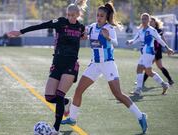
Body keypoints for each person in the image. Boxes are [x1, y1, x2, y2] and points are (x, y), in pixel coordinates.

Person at [61, 2, 148, 134]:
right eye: (97, 15)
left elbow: (115, 43)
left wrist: (108, 38)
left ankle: (141, 116)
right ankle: (72, 118)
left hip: (108, 64)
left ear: (106, 17)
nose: (99, 17)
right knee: (78, 90)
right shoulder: (92, 27)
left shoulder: (109, 28)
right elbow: (85, 35)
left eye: (101, 16)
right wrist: (83, 36)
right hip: (95, 65)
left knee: (118, 94)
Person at [6, 0, 87, 134]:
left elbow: (84, 36)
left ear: (78, 14)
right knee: (49, 97)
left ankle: (55, 129)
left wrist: (85, 36)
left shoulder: (81, 27)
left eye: (73, 15)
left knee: (59, 95)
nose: (71, 17)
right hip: (57, 63)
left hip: (71, 64)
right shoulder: (60, 22)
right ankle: (67, 102)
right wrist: (20, 32)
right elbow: (42, 25)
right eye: (69, 15)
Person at [127, 13, 174, 96]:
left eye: (145, 19)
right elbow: (135, 39)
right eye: (142, 19)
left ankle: (138, 89)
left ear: (149, 20)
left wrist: (168, 48)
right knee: (149, 72)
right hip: (143, 54)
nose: (144, 20)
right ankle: (164, 85)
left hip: (149, 53)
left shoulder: (152, 30)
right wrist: (130, 41)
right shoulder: (140, 31)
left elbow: (159, 40)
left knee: (139, 68)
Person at [142, 16, 174, 86]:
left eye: (152, 21)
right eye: (150, 21)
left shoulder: (157, 30)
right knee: (156, 66)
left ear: (155, 23)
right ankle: (170, 80)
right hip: (151, 51)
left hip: (156, 51)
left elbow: (162, 40)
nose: (150, 22)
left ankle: (142, 82)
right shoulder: (148, 30)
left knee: (149, 66)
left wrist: (167, 48)